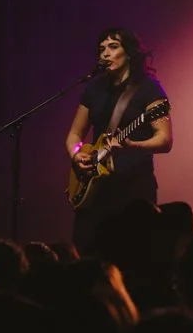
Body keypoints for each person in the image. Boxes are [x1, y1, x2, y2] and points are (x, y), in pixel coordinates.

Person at [65, 28, 172, 253]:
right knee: (86, 252)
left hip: (133, 189)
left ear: (129, 53)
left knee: (132, 254)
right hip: (96, 189)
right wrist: (76, 154)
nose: (105, 53)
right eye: (101, 49)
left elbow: (165, 140)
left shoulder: (149, 89)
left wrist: (133, 146)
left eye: (113, 47)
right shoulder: (94, 89)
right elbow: (75, 135)